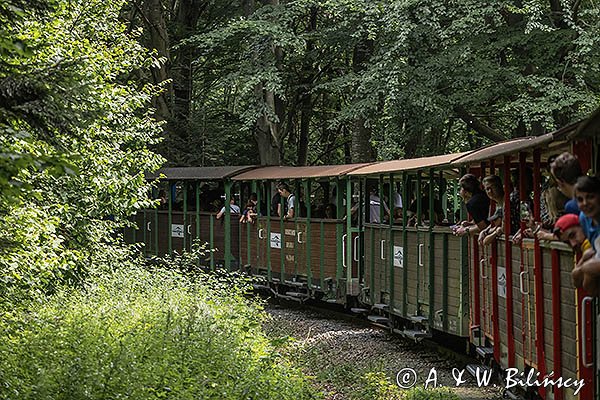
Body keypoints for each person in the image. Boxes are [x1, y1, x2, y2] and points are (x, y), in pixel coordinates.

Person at [571, 176, 600, 295]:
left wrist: (583, 267)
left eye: (590, 197)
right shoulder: (584, 218)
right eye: (580, 199)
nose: (585, 203)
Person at [478, 175, 505, 245]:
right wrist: (484, 231)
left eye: (492, 187)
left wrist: (494, 232)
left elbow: (503, 226)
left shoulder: (506, 202)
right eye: (487, 189)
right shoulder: (496, 204)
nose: (489, 191)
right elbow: (494, 223)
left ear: (500, 186)